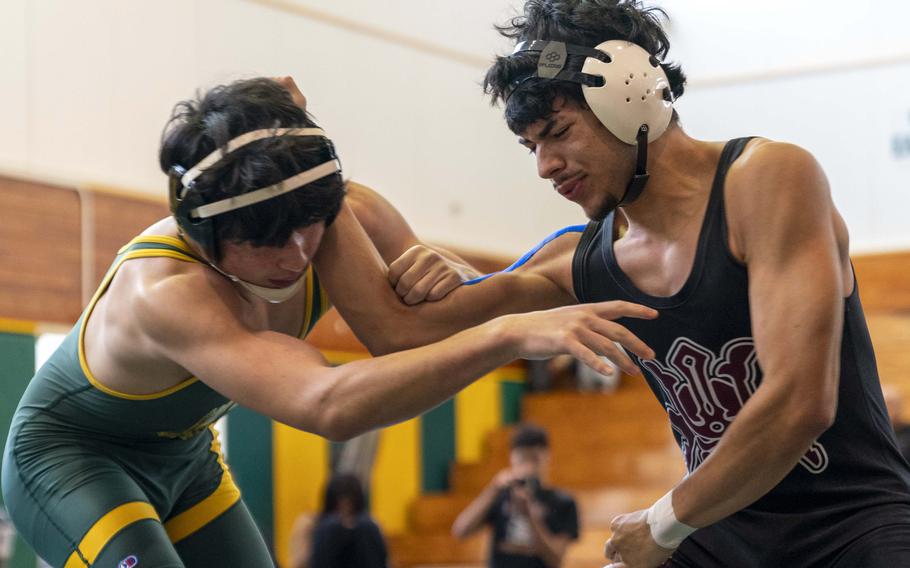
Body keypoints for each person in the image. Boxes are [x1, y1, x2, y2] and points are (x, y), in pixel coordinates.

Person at [314, 1, 910, 566]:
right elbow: (398, 333)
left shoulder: (767, 180)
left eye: (558, 132)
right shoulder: (581, 260)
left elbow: (801, 403)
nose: (543, 166)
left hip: (852, 526)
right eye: (531, 146)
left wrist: (662, 523)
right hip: (719, 533)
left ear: (631, 97)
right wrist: (317, 183)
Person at [0, 77, 657, 567]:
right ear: (206, 234)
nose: (296, 257)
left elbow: (416, 327)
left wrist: (457, 273)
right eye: (266, 244)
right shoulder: (165, 291)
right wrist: (509, 332)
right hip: (71, 461)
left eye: (310, 229)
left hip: (187, 453)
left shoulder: (339, 210)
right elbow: (328, 403)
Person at [452, 424, 578, 568]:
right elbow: (461, 531)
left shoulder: (563, 502)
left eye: (534, 459)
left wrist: (530, 517)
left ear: (547, 456)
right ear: (512, 458)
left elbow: (555, 560)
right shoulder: (500, 495)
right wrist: (493, 487)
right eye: (523, 459)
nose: (528, 466)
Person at [289, 473, 388, 568]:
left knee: (367, 526)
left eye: (350, 507)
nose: (345, 510)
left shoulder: (368, 527)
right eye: (339, 507)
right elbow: (299, 562)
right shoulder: (313, 525)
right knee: (331, 527)